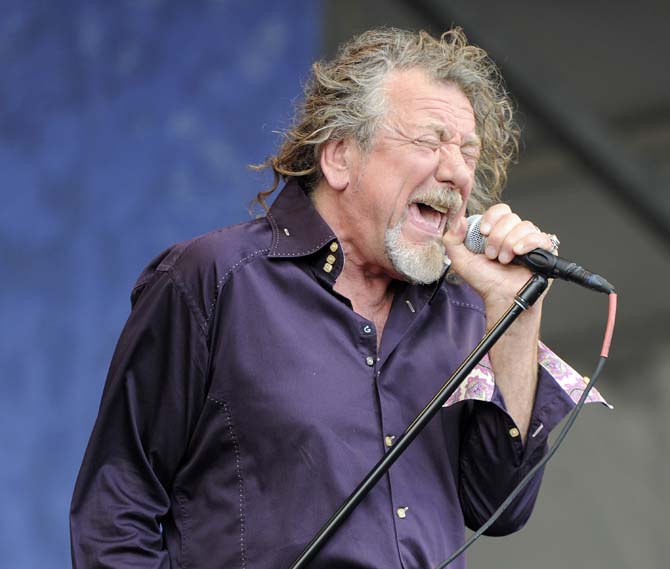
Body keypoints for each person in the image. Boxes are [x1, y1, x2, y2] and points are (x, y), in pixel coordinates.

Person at [70, 28, 606, 568]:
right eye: (428, 141)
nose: (456, 171)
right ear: (340, 157)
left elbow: (499, 505)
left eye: (467, 151)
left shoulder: (468, 313)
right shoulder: (214, 280)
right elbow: (116, 513)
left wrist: (516, 318)